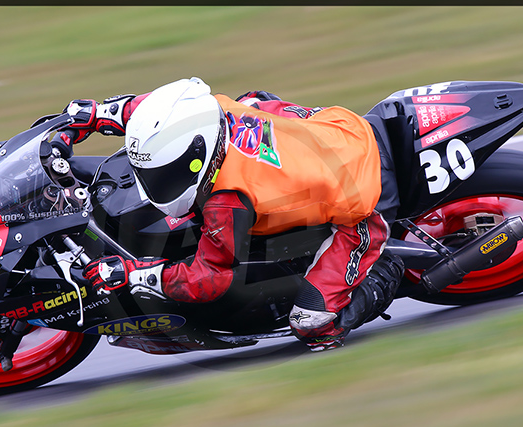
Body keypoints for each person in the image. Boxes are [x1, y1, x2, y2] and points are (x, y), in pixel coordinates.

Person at [53, 77, 404, 351]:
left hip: (365, 196)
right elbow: (157, 112)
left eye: (165, 174)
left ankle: (387, 270)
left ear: (198, 157)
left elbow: (210, 278)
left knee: (311, 325)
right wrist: (99, 114)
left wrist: (133, 275)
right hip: (334, 128)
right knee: (250, 101)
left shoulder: (227, 202)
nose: (154, 183)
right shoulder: (208, 112)